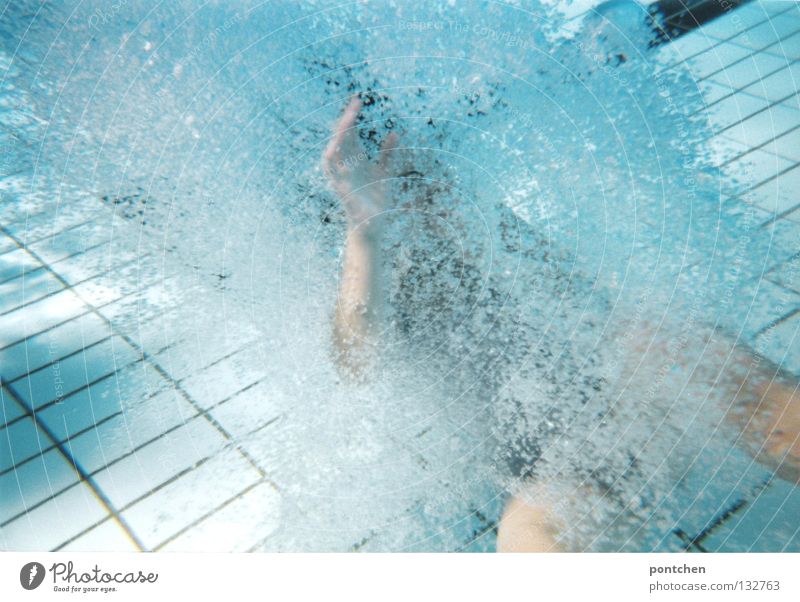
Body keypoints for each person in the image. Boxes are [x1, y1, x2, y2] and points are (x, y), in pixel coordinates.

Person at [322, 96, 800, 552]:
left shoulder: (474, 213)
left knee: (687, 348)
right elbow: (356, 362)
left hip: (634, 392)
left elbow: (590, 306)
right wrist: (365, 234)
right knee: (542, 532)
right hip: (554, 461)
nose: (427, 193)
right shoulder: (368, 270)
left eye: (424, 170)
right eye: (402, 178)